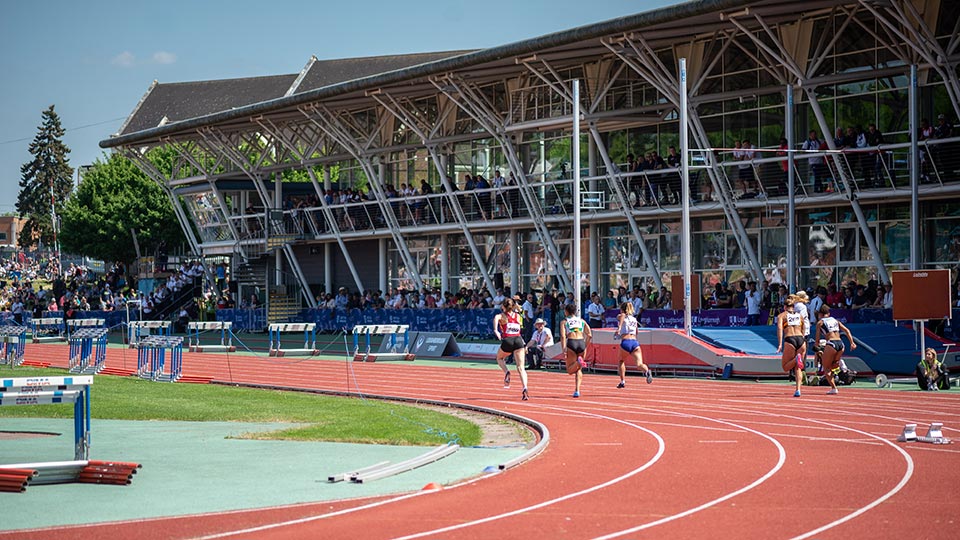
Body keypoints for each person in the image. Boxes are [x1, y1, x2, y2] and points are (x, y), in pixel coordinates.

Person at [814, 305, 857, 395]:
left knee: (826, 368)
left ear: (820, 314)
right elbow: (847, 330)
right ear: (828, 313)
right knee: (834, 365)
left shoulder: (820, 323)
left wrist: (816, 348)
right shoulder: (835, 320)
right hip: (841, 344)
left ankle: (834, 388)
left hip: (831, 344)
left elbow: (817, 340)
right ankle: (841, 375)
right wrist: (852, 343)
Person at [493, 298, 529, 400]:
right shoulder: (518, 316)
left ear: (503, 306)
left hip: (508, 340)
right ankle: (525, 388)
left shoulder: (500, 316)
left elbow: (496, 322)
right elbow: (520, 328)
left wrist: (496, 331)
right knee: (521, 368)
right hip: (518, 340)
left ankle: (507, 372)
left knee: (499, 358)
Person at [613, 301, 653, 388]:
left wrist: (619, 329)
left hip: (626, 342)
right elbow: (637, 331)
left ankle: (622, 381)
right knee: (639, 364)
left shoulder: (621, 316)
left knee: (621, 361)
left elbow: (622, 316)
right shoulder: (634, 319)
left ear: (622, 309)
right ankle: (646, 371)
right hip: (635, 343)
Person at [776, 297, 807, 397]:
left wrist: (780, 344)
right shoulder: (800, 315)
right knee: (798, 368)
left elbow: (780, 329)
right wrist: (802, 339)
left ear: (785, 307)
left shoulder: (782, 316)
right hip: (801, 340)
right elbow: (804, 329)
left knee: (785, 367)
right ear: (793, 307)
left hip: (790, 339)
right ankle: (798, 389)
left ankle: (796, 359)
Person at [559, 303, 591, 398]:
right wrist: (585, 345)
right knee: (579, 369)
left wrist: (564, 348)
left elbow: (562, 336)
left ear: (566, 312)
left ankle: (578, 362)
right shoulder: (582, 321)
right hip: (581, 342)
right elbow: (589, 334)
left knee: (569, 370)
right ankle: (577, 390)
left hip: (572, 342)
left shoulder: (564, 321)